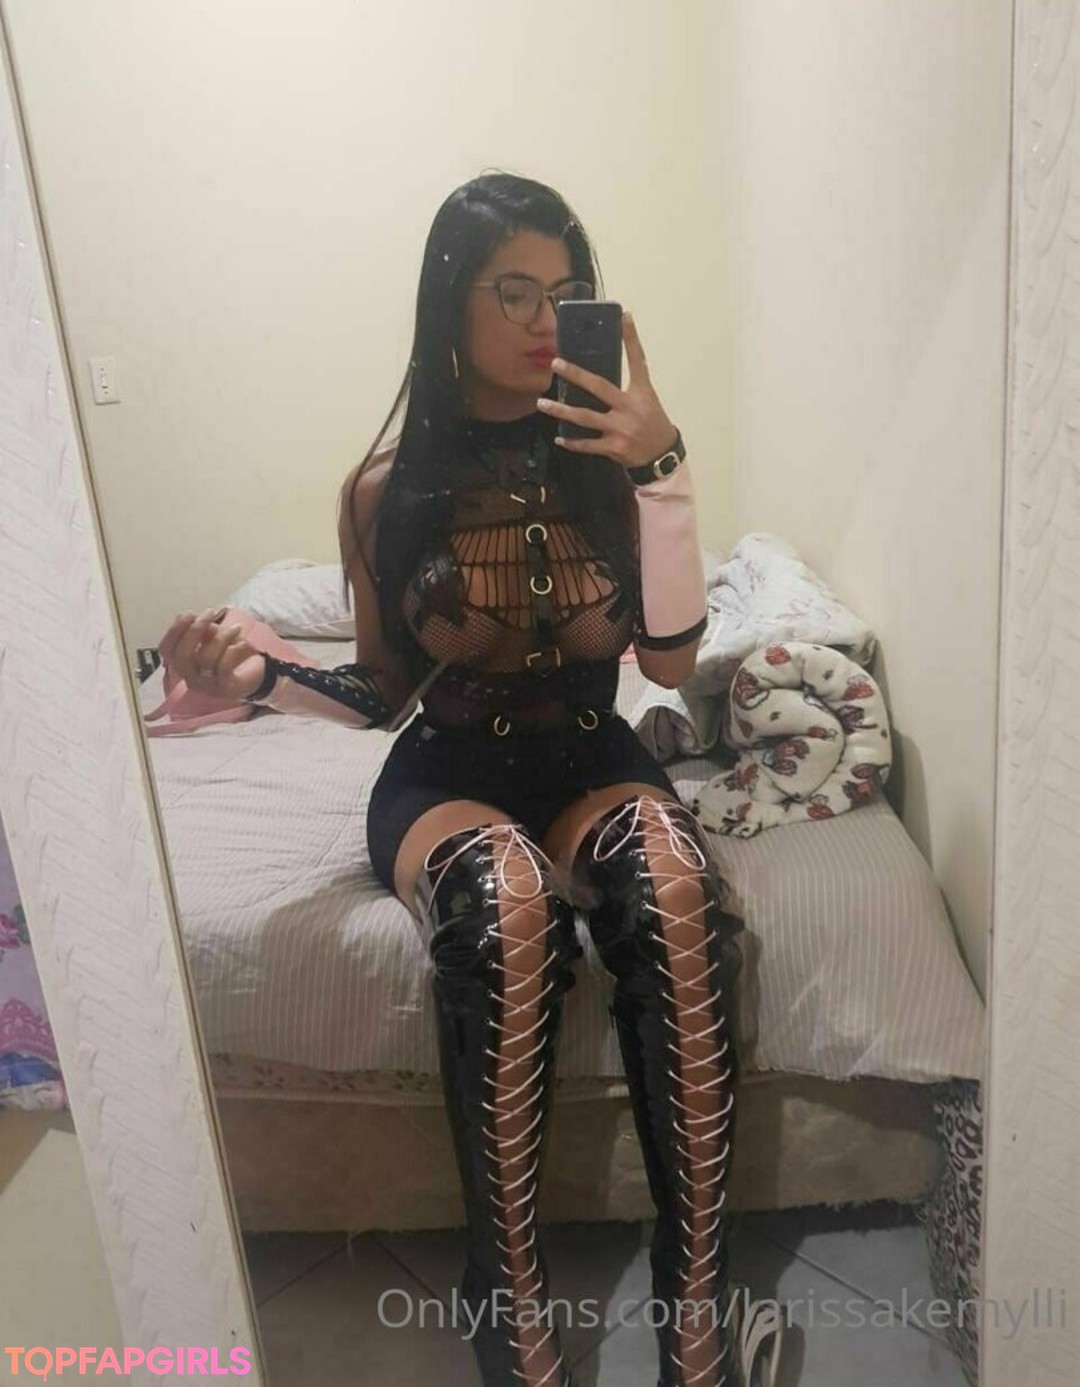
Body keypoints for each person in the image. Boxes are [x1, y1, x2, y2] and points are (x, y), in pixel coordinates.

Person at [161, 173, 770, 1387]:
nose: (545, 319)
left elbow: (668, 660)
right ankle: (512, 1302)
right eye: (514, 292)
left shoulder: (610, 463)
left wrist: (665, 469)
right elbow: (383, 690)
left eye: (566, 292)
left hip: (590, 755)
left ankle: (694, 1300)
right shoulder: (383, 490)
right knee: (506, 903)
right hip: (446, 768)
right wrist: (259, 678)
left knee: (677, 888)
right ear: (452, 303)